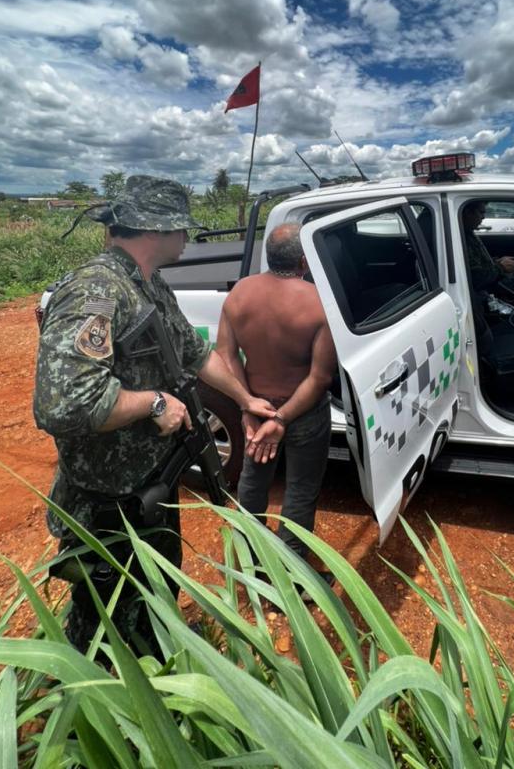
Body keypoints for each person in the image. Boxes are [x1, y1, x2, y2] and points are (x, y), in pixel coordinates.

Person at [34, 175, 275, 655]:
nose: (187, 237)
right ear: (155, 229)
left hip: (148, 486)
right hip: (108, 500)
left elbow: (194, 353)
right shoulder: (96, 292)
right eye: (181, 227)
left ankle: (153, 674)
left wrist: (245, 400)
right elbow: (66, 404)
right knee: (105, 618)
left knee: (155, 591)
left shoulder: (147, 284)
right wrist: (155, 403)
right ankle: (95, 710)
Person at [216, 223, 337, 563]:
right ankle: (293, 577)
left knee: (252, 485)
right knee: (301, 490)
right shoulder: (318, 304)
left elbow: (226, 355)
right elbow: (319, 378)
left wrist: (247, 406)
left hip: (257, 407)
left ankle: (249, 563)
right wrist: (282, 418)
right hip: (304, 413)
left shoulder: (239, 293)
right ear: (303, 261)